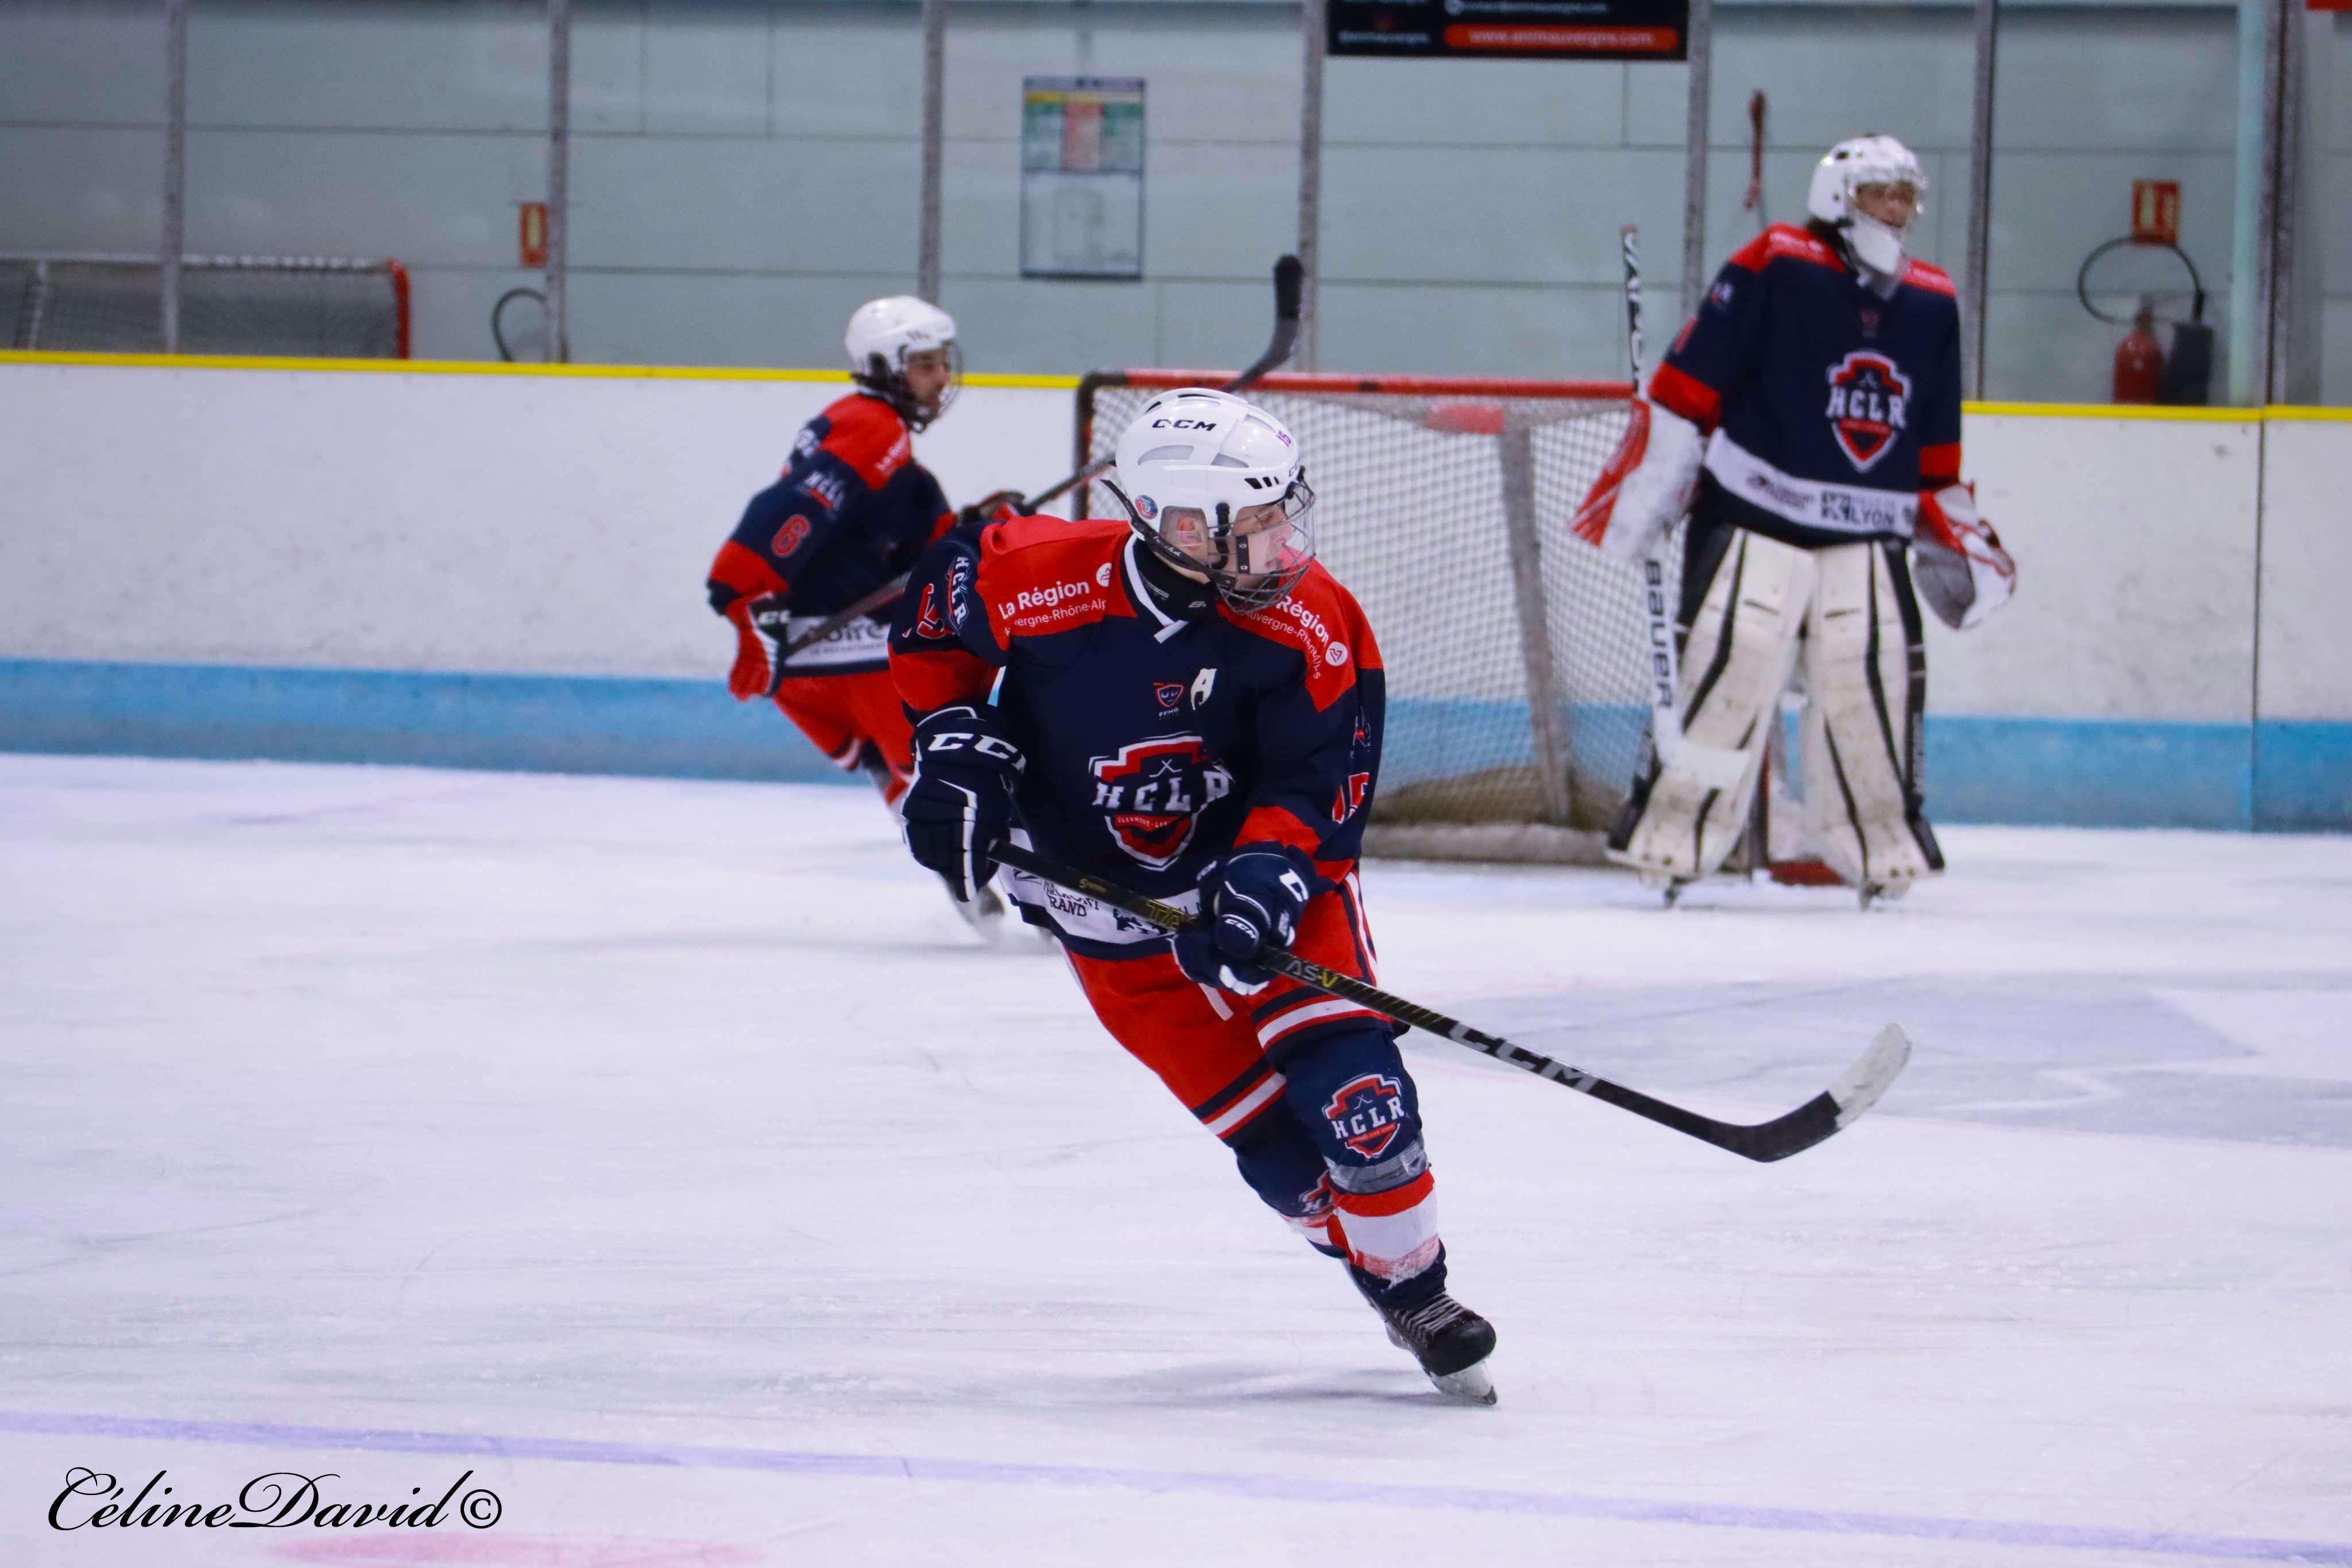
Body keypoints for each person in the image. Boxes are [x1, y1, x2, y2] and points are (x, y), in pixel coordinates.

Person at [886, 388, 1499, 1401]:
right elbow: (933, 620)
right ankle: (1380, 1277)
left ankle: (1422, 1293)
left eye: (1280, 511)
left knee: (1360, 1101)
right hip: (1108, 912)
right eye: (1252, 522)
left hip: (1268, 887)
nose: (1281, 538)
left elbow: (1321, 781)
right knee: (1281, 1158)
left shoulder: (1312, 619)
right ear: (1175, 525)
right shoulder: (1038, 580)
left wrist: (1264, 878)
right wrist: (951, 741)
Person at [1573, 134, 2016, 907]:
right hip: (1755, 514)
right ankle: (1672, 837)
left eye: (1905, 195)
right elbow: (1689, 387)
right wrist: (1653, 494)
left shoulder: (1932, 299)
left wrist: (1956, 534)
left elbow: (1935, 444)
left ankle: (1881, 849)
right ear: (1836, 197)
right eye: (1879, 192)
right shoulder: (1776, 261)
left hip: (1869, 530)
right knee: (1731, 666)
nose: (1895, 209)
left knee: (1870, 680)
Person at [705, 295, 1021, 935]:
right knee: (988, 741)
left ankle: (970, 891)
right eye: (925, 364)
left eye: (942, 362)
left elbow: (871, 537)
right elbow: (785, 510)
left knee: (888, 761)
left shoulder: (856, 427)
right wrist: (744, 594)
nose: (941, 377)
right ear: (883, 367)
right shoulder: (875, 427)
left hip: (806, 671)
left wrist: (970, 530)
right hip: (866, 657)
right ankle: (1051, 906)